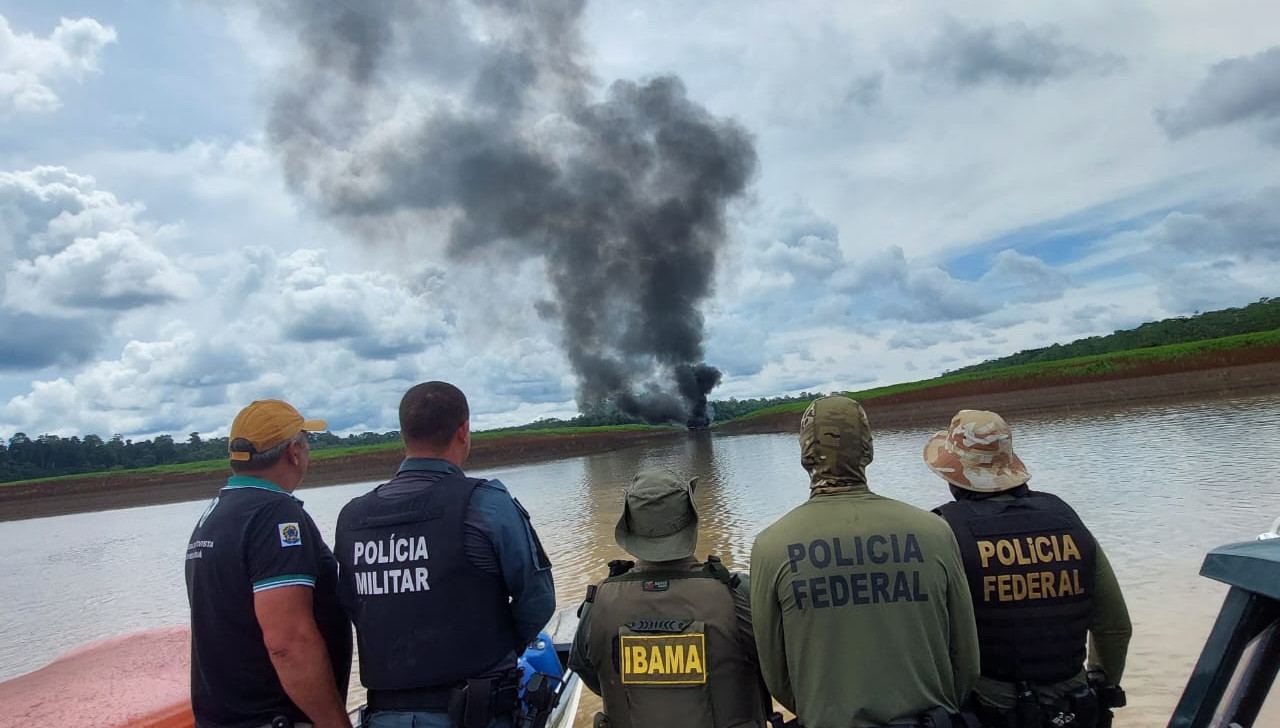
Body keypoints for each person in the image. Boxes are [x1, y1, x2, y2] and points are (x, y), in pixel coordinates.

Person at [334, 381, 555, 728]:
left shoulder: (352, 518)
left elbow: (351, 607)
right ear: (463, 431)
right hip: (477, 712)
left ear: (403, 434)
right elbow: (538, 599)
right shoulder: (487, 504)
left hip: (384, 715)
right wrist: (495, 648)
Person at [749, 395, 980, 728]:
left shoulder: (771, 545)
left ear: (805, 456)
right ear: (868, 451)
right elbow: (966, 662)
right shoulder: (934, 531)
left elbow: (778, 676)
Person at [925, 410, 1132, 728]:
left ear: (954, 475)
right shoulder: (1065, 518)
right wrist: (1101, 685)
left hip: (990, 710)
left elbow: (929, 636)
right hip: (1074, 707)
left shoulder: (943, 531)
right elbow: (1114, 626)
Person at [185, 399, 352, 728]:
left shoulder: (216, 514)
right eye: (307, 442)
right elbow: (288, 642)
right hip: (273, 719)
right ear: (293, 451)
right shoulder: (275, 515)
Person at [569, 468, 771, 728]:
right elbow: (777, 672)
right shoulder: (735, 593)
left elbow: (586, 669)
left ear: (630, 524)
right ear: (691, 519)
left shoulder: (599, 602)